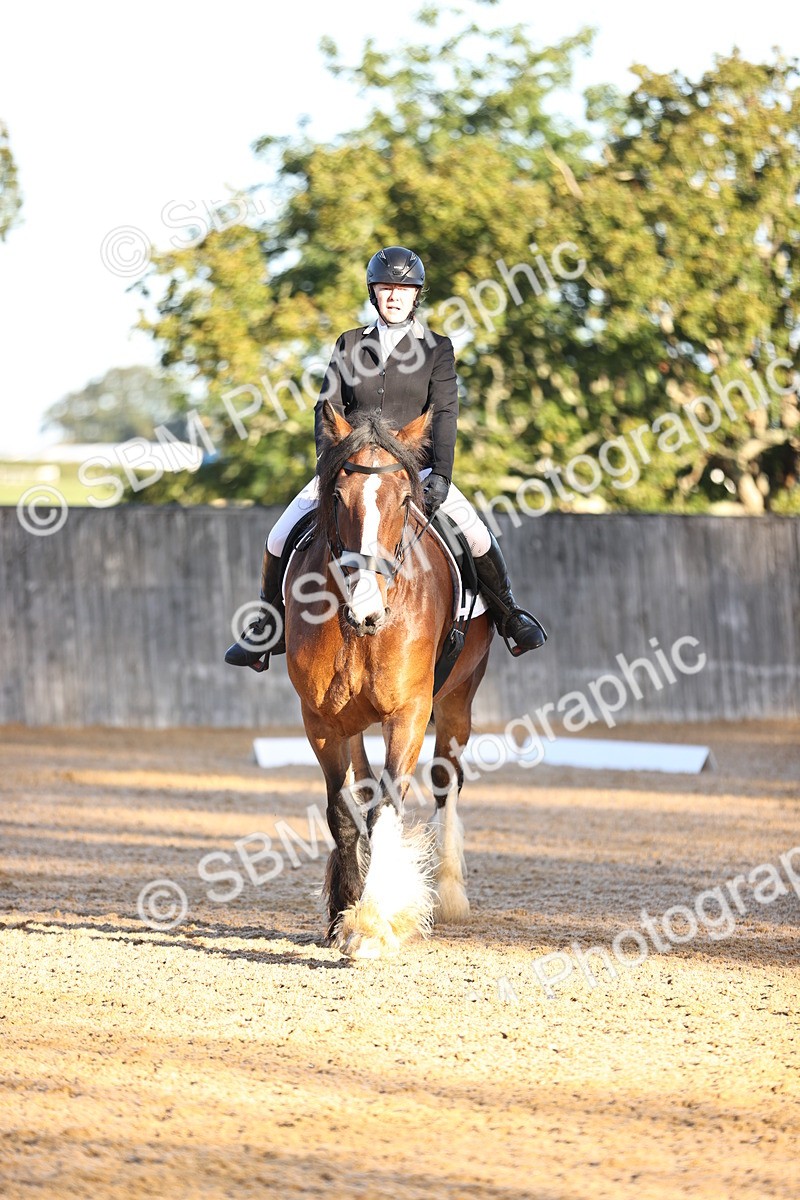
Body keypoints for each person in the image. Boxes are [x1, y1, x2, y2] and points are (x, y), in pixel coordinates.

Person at [225, 245, 547, 669]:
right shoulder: (350, 343)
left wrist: (442, 476)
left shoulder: (437, 349)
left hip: (414, 471)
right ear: (373, 292)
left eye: (403, 288)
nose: (394, 296)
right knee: (278, 536)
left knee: (477, 535)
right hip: (352, 471)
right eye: (386, 287)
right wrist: (330, 470)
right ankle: (267, 627)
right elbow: (327, 408)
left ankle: (509, 616)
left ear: (417, 295)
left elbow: (445, 414)